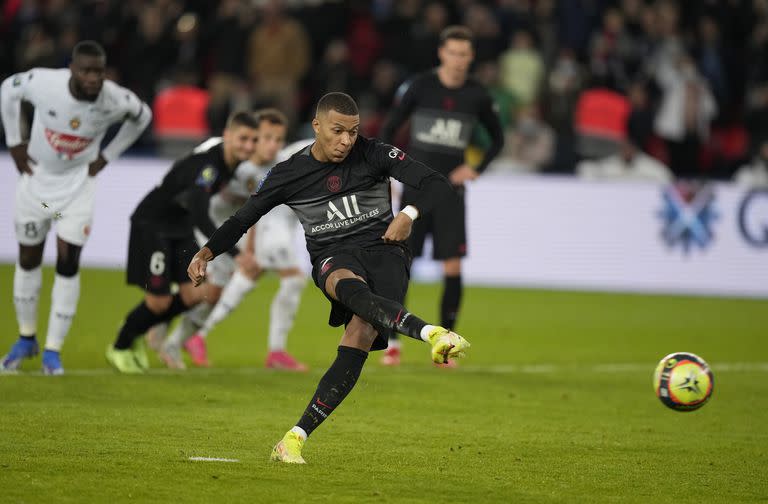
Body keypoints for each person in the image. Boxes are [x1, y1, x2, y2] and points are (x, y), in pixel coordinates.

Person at [187, 92, 470, 463]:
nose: (346, 141)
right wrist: (207, 252)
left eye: (352, 132)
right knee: (344, 283)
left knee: (361, 334)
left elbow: (436, 183)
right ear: (317, 126)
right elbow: (244, 218)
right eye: (337, 131)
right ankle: (430, 332)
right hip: (332, 256)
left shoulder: (373, 153)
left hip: (387, 252)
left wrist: (410, 213)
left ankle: (292, 439)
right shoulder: (289, 173)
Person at [0, 41, 151, 375]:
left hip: (76, 190)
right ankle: (26, 339)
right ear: (72, 69)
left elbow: (143, 117)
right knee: (28, 260)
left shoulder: (115, 98)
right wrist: (14, 141)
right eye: (86, 70)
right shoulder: (43, 83)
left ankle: (53, 350)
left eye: (99, 70)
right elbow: (7, 91)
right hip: (36, 185)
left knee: (68, 263)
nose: (93, 78)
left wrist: (107, 156)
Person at [379, 26, 503, 366]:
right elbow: (390, 128)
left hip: (451, 192)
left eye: (464, 54)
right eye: (453, 53)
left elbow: (497, 139)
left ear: (471, 57)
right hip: (416, 188)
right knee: (402, 264)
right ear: (441, 53)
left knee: (452, 265)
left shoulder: (477, 95)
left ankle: (446, 347)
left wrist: (475, 169)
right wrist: (394, 168)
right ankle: (392, 344)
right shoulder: (420, 87)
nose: (459, 60)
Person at [152, 110, 311, 371]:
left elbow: (256, 211)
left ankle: (177, 340)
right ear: (253, 138)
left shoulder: (273, 169)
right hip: (205, 225)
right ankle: (164, 320)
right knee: (203, 287)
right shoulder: (232, 161)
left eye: (278, 139)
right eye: (266, 138)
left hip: (229, 229)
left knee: (213, 294)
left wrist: (248, 248)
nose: (272, 145)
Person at [105, 111, 259, 373]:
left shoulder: (230, 164)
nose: (248, 145)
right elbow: (200, 212)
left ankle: (140, 325)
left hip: (180, 226)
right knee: (159, 302)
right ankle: (120, 345)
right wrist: (235, 253)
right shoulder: (210, 165)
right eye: (242, 138)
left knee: (197, 293)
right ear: (228, 135)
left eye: (253, 140)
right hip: (154, 224)